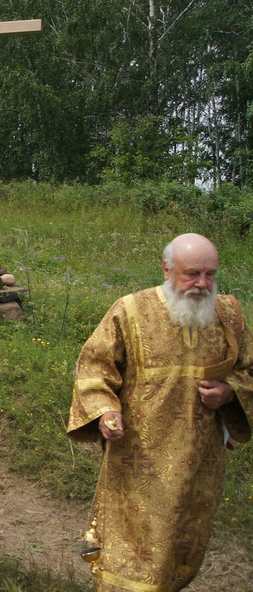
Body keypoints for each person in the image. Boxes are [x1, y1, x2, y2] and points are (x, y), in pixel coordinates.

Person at [67, 232, 253, 592]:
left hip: (201, 461)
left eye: (210, 274)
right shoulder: (130, 310)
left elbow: (248, 370)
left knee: (183, 548)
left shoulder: (229, 314)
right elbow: (94, 369)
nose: (202, 284)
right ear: (167, 269)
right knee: (131, 559)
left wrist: (231, 393)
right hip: (138, 459)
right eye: (192, 274)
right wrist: (106, 411)